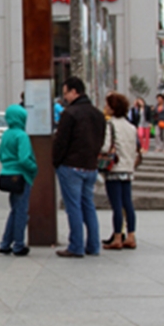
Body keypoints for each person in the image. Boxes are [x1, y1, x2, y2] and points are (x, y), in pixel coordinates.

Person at [53, 76, 105, 258]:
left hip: (71, 165)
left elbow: (61, 142)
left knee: (73, 206)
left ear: (74, 92)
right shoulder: (98, 114)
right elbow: (101, 140)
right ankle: (93, 245)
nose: (65, 97)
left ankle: (76, 245)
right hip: (90, 166)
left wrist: (56, 162)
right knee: (88, 205)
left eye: (66, 93)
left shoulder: (70, 113)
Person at [0, 104, 38, 257]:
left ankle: (5, 243)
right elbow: (24, 158)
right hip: (21, 176)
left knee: (14, 210)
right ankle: (18, 245)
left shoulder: (6, 134)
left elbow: (0, 156)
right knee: (21, 211)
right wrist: (34, 168)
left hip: (6, 175)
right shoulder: (22, 136)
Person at [101, 93, 139, 250]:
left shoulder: (111, 125)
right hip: (128, 168)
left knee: (116, 204)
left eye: (107, 105)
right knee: (127, 203)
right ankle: (131, 235)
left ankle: (117, 236)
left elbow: (105, 147)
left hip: (115, 168)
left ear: (112, 108)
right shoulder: (131, 127)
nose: (105, 108)